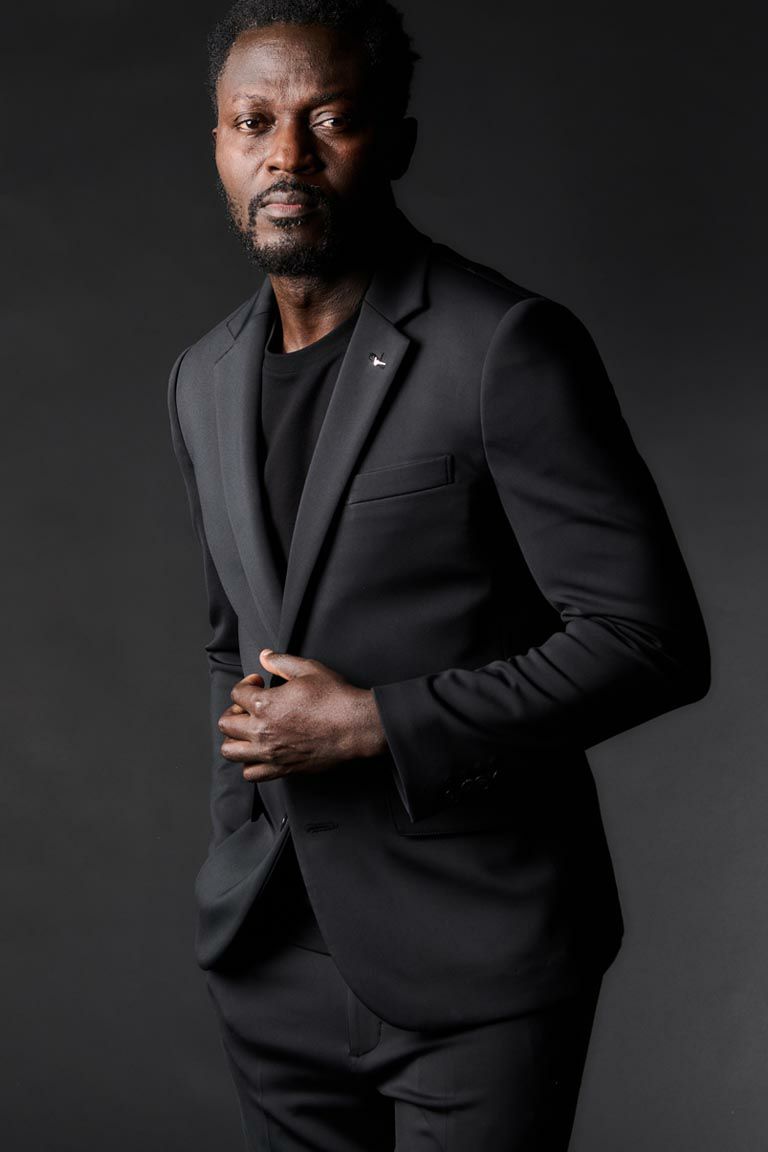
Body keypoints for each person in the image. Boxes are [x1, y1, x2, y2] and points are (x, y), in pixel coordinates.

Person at [166, 1, 711, 1147]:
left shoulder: (503, 345)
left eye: (330, 119)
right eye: (253, 122)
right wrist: (237, 839)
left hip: (479, 960)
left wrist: (377, 725)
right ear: (217, 143)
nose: (286, 155)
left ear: (397, 142)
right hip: (272, 960)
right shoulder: (203, 377)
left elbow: (648, 641)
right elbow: (233, 640)